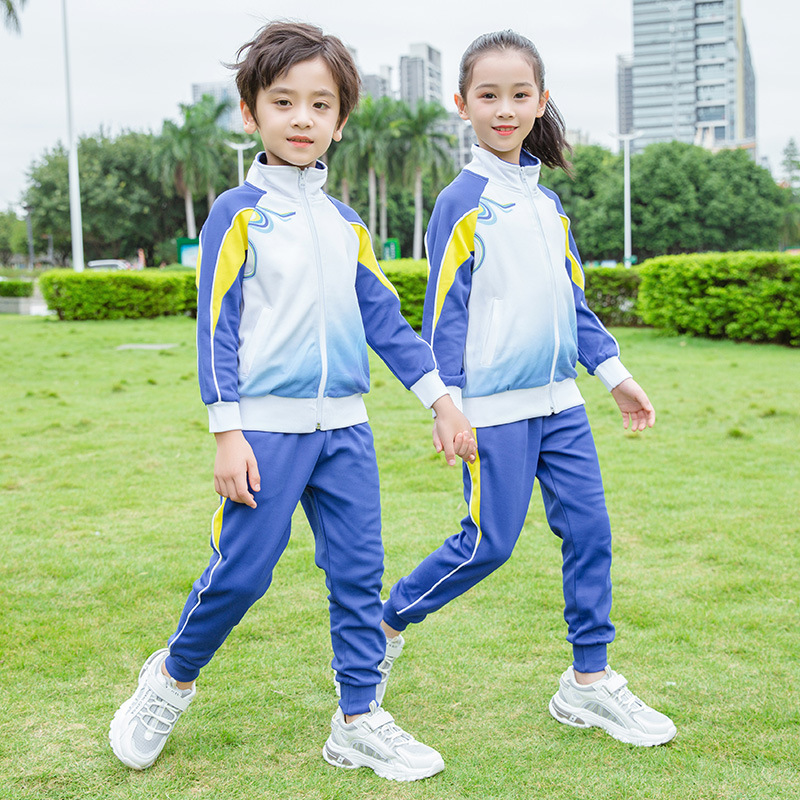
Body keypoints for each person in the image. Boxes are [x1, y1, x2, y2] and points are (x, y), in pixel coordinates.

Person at [108, 21, 476, 782]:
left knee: (357, 574)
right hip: (265, 434)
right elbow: (217, 327)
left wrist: (441, 399)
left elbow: (385, 321)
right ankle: (170, 680)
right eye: (284, 102)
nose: (302, 118)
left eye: (320, 104)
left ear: (341, 122)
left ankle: (359, 720)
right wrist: (227, 432)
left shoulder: (348, 225)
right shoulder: (235, 215)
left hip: (346, 428)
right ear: (252, 112)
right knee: (242, 572)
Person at [377, 30, 677, 747]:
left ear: (541, 101)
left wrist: (616, 378)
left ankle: (589, 682)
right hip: (493, 412)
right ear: (462, 105)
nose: (505, 109)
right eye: (489, 95)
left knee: (591, 532)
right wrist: (444, 403)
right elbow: (442, 313)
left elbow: (575, 305)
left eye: (520, 95)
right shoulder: (462, 201)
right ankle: (382, 624)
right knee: (488, 544)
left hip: (561, 407)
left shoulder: (548, 205)